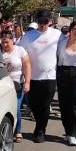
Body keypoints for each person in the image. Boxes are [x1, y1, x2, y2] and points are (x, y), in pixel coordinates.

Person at [19, 9, 61, 143]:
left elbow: (69, 46)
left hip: (50, 77)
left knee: (45, 105)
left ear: (50, 21)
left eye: (45, 21)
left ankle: (40, 130)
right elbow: (19, 52)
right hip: (32, 78)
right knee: (34, 105)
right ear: (36, 22)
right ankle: (40, 125)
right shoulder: (28, 36)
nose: (42, 24)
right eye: (40, 21)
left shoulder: (58, 35)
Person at [1, 31, 31, 143]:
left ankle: (18, 130)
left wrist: (27, 82)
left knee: (16, 107)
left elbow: (27, 65)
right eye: (3, 42)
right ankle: (7, 130)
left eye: (7, 42)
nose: (5, 45)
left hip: (18, 84)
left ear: (12, 40)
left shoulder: (20, 50)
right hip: (4, 85)